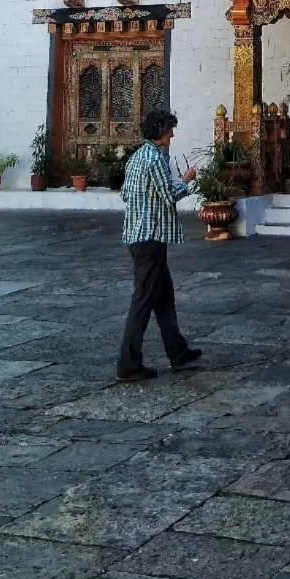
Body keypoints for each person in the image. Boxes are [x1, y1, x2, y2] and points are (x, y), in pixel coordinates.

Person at [117, 108, 202, 382]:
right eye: (170, 130)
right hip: (150, 237)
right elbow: (168, 195)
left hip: (138, 235)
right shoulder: (155, 159)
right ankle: (129, 363)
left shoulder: (136, 158)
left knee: (164, 297)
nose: (172, 135)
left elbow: (126, 194)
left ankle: (177, 351)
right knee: (143, 300)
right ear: (161, 131)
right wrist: (186, 181)